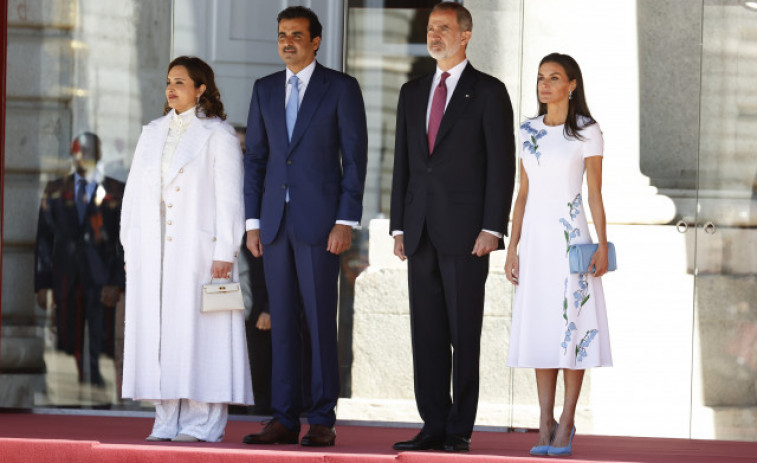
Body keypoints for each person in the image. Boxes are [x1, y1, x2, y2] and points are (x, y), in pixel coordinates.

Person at [390, 2, 515, 453]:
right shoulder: (411, 91)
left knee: (464, 334)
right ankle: (432, 425)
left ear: (466, 35)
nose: (435, 34)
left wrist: (492, 228)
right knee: (426, 336)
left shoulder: (488, 92)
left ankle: (459, 428)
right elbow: (403, 163)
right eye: (430, 28)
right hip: (419, 231)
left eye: (444, 28)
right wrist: (398, 227)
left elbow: (501, 167)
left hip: (467, 237)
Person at [241, 6, 367, 447]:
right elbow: (255, 159)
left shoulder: (341, 88)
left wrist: (345, 219)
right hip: (274, 224)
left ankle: (321, 418)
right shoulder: (264, 89)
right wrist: (252, 222)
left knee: (318, 322)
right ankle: (284, 418)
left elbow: (354, 160)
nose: (287, 41)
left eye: (297, 34)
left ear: (316, 41)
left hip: (321, 224)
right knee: (281, 322)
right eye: (282, 35)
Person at [120, 56, 253, 442]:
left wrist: (225, 251)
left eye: (180, 82)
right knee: (161, 335)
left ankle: (202, 422)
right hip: (155, 251)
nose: (171, 88)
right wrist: (132, 247)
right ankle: (165, 418)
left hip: (199, 252)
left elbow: (230, 198)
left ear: (201, 89)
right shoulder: (151, 132)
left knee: (201, 333)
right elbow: (132, 195)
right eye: (168, 82)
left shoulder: (218, 134)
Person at [504, 53, 612, 457]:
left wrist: (602, 244)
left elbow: (595, 194)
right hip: (534, 241)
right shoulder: (528, 130)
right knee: (541, 328)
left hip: (571, 240)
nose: (544, 85)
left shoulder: (587, 131)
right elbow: (523, 193)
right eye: (539, 78)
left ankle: (567, 420)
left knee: (573, 328)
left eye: (553, 78)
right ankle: (544, 419)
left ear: (572, 85)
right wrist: (512, 247)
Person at [35, 132, 124, 388]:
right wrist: (42, 283)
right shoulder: (54, 190)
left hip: (102, 280)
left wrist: (117, 282)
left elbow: (123, 242)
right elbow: (44, 238)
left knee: (103, 342)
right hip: (65, 278)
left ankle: (100, 401)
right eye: (78, 151)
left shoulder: (116, 190)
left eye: (88, 151)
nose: (82, 156)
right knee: (65, 341)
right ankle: (67, 396)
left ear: (99, 154)